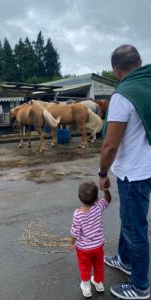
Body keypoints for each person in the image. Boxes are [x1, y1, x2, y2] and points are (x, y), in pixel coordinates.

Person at [99, 44, 151, 299]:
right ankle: (124, 260)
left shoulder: (123, 95)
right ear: (139, 63)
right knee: (129, 219)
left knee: (135, 227)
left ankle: (140, 286)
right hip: (147, 167)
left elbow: (110, 145)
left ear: (116, 71)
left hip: (134, 173)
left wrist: (102, 173)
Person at [70, 181, 111, 297]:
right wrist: (106, 189)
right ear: (96, 197)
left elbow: (74, 232)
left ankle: (86, 288)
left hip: (84, 249)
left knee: (85, 267)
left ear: (79, 198)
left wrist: (72, 242)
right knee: (98, 265)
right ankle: (99, 283)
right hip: (98, 246)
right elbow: (108, 200)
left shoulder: (78, 214)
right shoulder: (98, 207)